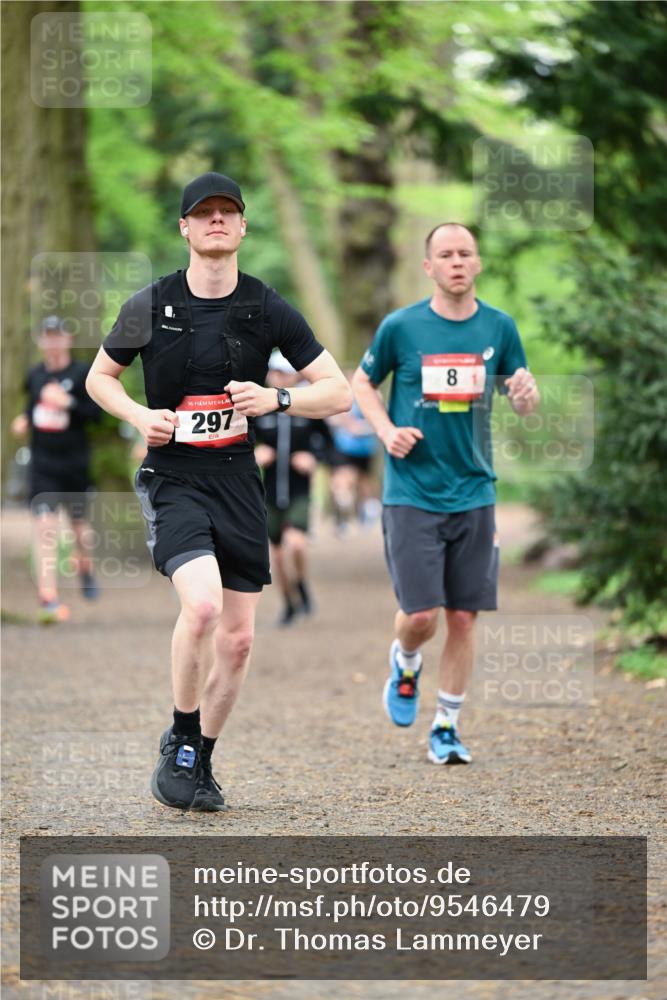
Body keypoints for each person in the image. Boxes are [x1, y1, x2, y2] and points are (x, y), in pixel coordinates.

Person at [86, 172, 351, 812]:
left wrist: (278, 398)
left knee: (238, 639)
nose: (215, 222)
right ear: (183, 227)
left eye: (226, 213)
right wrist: (137, 416)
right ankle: (179, 739)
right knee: (201, 607)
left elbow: (338, 391)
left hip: (237, 481)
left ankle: (200, 758)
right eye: (202, 214)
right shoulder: (148, 304)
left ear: (241, 227)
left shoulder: (266, 306)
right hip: (173, 477)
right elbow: (100, 378)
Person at [351, 223, 539, 765]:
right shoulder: (401, 327)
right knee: (421, 616)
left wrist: (527, 394)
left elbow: (521, 397)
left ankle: (447, 726)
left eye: (465, 253)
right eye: (445, 254)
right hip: (412, 490)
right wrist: (386, 432)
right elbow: (363, 383)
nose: (457, 262)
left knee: (463, 617)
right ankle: (406, 661)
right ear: (428, 266)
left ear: (478, 263)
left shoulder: (499, 328)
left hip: (475, 490)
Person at [11, 315, 101, 623]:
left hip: (74, 466)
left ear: (68, 339)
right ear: (41, 341)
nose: (52, 342)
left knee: (79, 529)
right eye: (47, 336)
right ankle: (48, 596)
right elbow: (32, 406)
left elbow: (96, 415)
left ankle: (85, 568)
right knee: (45, 528)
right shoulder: (34, 375)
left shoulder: (82, 374)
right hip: (43, 466)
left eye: (57, 336)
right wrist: (24, 420)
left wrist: (68, 403)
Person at [255, 351, 332, 626]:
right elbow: (241, 443)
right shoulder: (258, 408)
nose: (279, 377)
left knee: (296, 544)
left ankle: (301, 585)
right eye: (275, 372)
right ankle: (289, 603)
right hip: (269, 491)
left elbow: (328, 444)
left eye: (285, 373)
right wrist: (256, 453)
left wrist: (314, 458)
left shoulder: (309, 407)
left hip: (299, 490)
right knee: (276, 554)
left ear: (296, 376)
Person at [326, 378, 380, 535]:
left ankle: (364, 511)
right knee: (342, 481)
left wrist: (361, 428)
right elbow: (331, 418)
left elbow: (378, 420)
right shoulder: (337, 398)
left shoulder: (372, 398)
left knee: (364, 483)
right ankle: (343, 515)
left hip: (365, 450)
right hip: (344, 448)